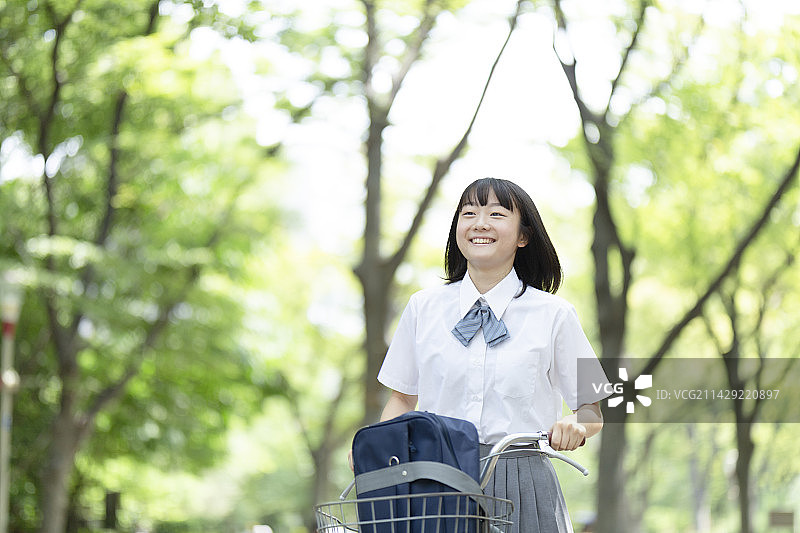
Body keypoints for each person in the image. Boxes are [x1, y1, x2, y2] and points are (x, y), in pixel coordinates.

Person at [363, 177, 610, 533]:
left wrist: (575, 424)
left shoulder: (556, 314)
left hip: (524, 481)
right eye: (469, 213)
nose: (480, 222)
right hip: (436, 479)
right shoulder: (423, 308)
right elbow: (401, 398)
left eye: (496, 213)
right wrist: (377, 449)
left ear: (523, 236)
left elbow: (592, 410)